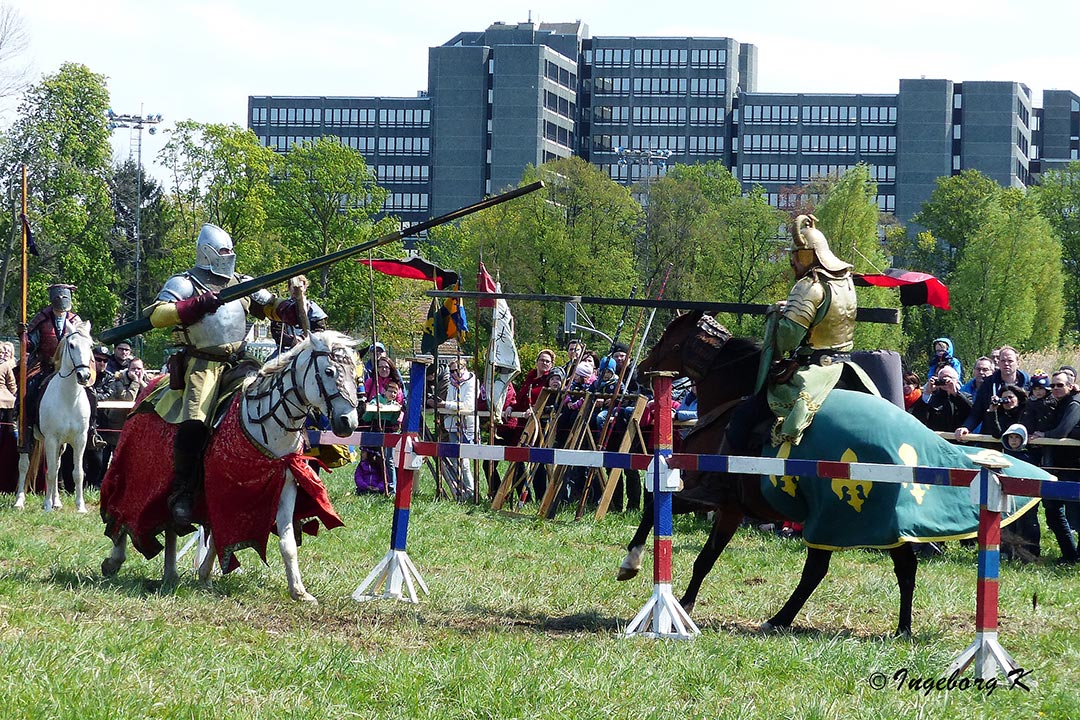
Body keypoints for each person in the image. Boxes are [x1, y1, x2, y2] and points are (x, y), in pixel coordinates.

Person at [144, 223, 302, 525]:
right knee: (195, 423)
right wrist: (195, 305)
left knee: (267, 400)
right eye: (223, 251)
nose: (229, 256)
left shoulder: (240, 282)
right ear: (208, 253)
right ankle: (183, 492)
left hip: (241, 362)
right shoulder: (186, 282)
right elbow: (157, 314)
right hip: (201, 365)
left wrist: (288, 310)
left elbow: (268, 304)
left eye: (231, 251)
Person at [725, 214, 875, 454]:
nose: (792, 262)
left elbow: (786, 340)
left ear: (806, 254)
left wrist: (777, 316)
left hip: (813, 373)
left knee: (744, 416)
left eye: (794, 255)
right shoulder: (845, 282)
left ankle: (719, 482)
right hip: (847, 367)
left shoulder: (809, 285)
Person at [1030, 371, 1080, 565]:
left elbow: (1061, 431)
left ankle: (1074, 557)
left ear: (1070, 385)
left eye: (1060, 385)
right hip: (1057, 466)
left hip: (1074, 468)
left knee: (1075, 515)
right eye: (1053, 385)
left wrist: (1043, 434)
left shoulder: (1074, 403)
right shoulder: (1057, 403)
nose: (1055, 389)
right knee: (1052, 512)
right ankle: (1070, 555)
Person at [954, 346, 1029, 442]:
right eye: (1003, 361)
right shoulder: (988, 384)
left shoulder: (1029, 384)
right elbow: (977, 412)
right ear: (998, 363)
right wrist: (966, 427)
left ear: (1018, 363)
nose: (1006, 364)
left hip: (1019, 440)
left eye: (1010, 361)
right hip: (991, 437)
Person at [438, 358, 476, 500]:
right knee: (455, 461)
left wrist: (446, 405)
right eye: (452, 371)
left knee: (464, 462)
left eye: (457, 369)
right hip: (452, 425)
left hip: (467, 426)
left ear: (464, 368)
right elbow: (452, 403)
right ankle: (462, 492)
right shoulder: (452, 384)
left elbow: (468, 405)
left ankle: (472, 492)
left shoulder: (472, 382)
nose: (455, 373)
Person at [909, 365, 972, 432]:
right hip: (937, 438)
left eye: (949, 378)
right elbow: (918, 416)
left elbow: (971, 412)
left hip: (958, 439)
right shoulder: (931, 397)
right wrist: (927, 393)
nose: (945, 381)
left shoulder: (966, 397)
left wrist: (955, 394)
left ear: (956, 381)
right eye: (942, 378)